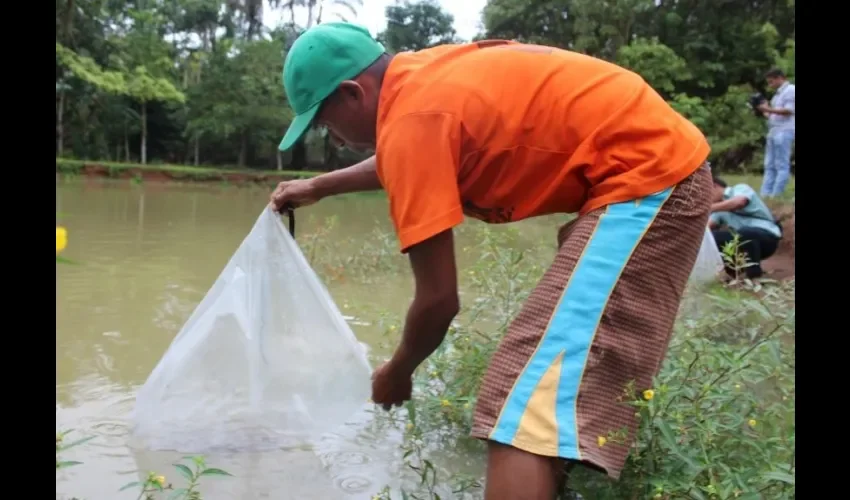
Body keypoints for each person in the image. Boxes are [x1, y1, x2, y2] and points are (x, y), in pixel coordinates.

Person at [269, 22, 713, 499]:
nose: (333, 140)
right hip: (649, 172)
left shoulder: (411, 120)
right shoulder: (421, 82)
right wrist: (318, 186)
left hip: (648, 182)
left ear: (353, 92)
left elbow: (439, 301)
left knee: (520, 402)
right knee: (546, 391)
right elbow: (407, 151)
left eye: (324, 121)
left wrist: (398, 370)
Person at [709, 177, 782, 279]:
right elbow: (706, 229)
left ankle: (754, 276)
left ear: (714, 186)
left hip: (767, 238)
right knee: (712, 238)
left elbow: (740, 202)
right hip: (743, 240)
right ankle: (733, 273)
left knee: (745, 233)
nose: (705, 199)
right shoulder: (718, 211)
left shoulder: (739, 188)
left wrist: (708, 208)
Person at [758, 68, 795, 198]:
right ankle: (765, 194)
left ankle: (776, 194)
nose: (770, 85)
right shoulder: (777, 94)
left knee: (781, 165)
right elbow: (773, 115)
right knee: (769, 164)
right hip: (774, 130)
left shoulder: (790, 90)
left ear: (780, 78)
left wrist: (769, 109)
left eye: (772, 81)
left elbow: (789, 110)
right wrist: (764, 110)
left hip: (784, 131)